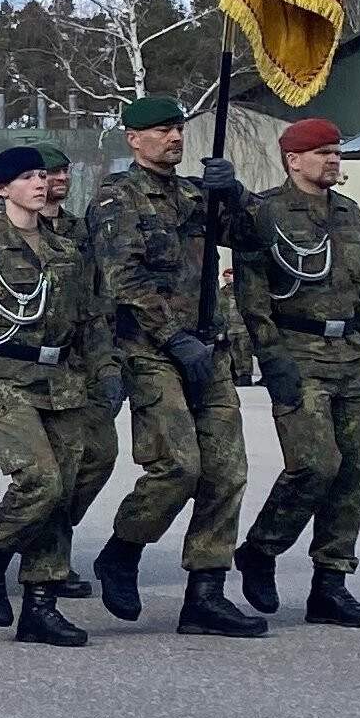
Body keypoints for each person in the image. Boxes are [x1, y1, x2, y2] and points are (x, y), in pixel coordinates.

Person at [86, 94, 268, 636]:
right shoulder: (117, 198)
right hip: (150, 350)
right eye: (162, 130)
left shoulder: (195, 193)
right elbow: (123, 279)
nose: (174, 138)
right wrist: (173, 336)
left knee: (227, 471)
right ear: (133, 139)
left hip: (207, 348)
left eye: (178, 129)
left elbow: (256, 237)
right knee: (178, 466)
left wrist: (234, 193)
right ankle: (122, 551)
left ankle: (205, 593)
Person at [0, 144, 116, 646]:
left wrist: (105, 370)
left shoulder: (66, 249)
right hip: (5, 377)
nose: (40, 184)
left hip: (63, 380)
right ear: (2, 189)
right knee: (40, 480)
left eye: (43, 175)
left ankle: (41, 604)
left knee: (64, 490)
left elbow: (91, 318)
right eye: (28, 178)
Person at [230, 119, 360, 628]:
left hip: (351, 354)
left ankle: (331, 583)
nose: (333, 160)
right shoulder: (265, 212)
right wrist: (271, 358)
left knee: (355, 470)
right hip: (298, 351)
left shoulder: (349, 212)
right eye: (322, 153)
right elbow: (252, 296)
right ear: (293, 160)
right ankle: (262, 549)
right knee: (316, 465)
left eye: (336, 152)